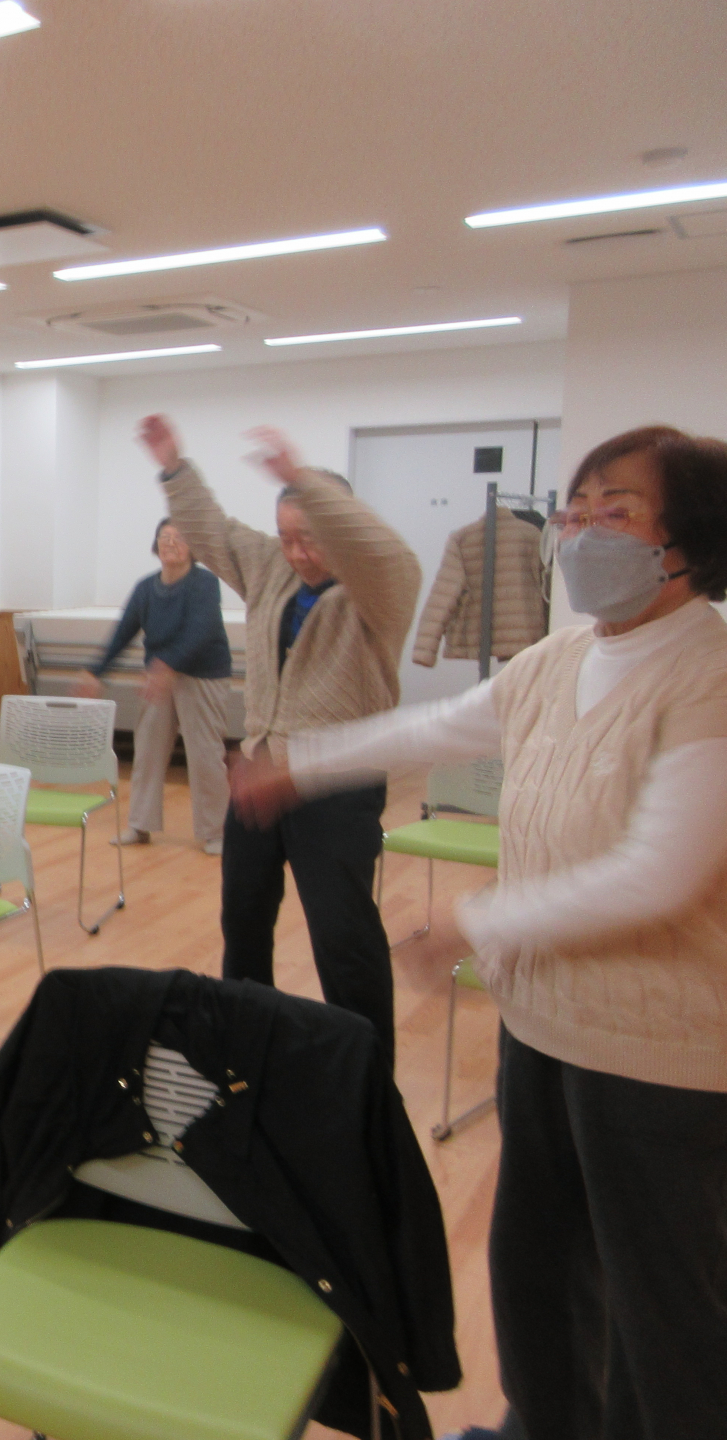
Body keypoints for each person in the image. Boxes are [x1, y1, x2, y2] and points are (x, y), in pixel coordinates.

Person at [233, 424, 727, 1440]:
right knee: (537, 1265)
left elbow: (660, 873)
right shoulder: (561, 658)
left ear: (692, 538)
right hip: (540, 1022)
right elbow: (437, 727)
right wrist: (302, 764)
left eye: (616, 512)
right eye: (576, 512)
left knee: (659, 1308)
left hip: (659, 1056)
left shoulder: (708, 674)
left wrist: (475, 918)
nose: (582, 532)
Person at [140, 413, 420, 1070]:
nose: (297, 552)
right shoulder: (271, 568)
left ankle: (367, 1074)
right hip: (259, 776)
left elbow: (383, 551)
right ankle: (244, 1053)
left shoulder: (380, 589)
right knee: (242, 921)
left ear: (341, 529)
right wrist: (174, 467)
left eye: (311, 538)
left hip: (336, 787)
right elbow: (213, 531)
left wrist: (302, 480)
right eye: (287, 536)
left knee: (342, 938)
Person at [77, 519, 233, 854]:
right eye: (165, 536)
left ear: (193, 547)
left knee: (205, 756)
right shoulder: (146, 587)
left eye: (179, 537)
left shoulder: (204, 583)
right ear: (156, 543)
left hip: (203, 675)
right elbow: (124, 631)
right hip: (158, 678)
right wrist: (96, 671)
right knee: (147, 751)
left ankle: (216, 832)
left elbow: (202, 629)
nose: (171, 542)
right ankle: (140, 825)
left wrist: (168, 666)